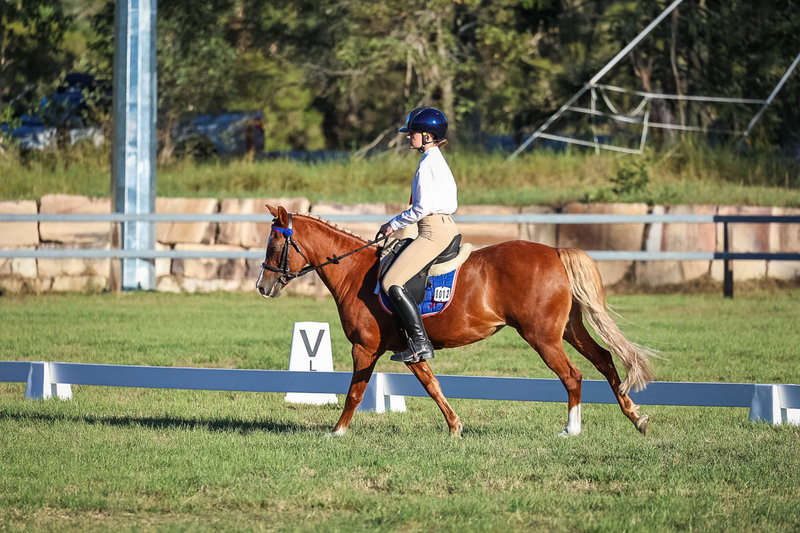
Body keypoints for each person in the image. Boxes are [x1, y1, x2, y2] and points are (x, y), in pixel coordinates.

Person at [378, 107, 459, 363]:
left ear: (427, 136)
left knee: (390, 281)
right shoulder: (438, 161)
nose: (407, 136)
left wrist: (392, 223)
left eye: (412, 133)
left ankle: (420, 344)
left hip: (433, 231)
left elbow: (421, 208)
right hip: (444, 225)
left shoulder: (427, 165)